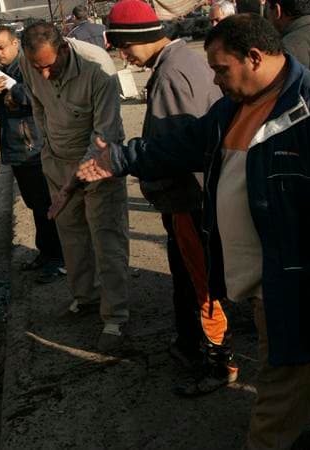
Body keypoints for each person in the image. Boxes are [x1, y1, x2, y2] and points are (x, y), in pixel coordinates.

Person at [79, 14, 310, 449]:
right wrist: (121, 158)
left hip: (297, 291)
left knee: (273, 408)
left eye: (221, 69)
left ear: (254, 58)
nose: (215, 80)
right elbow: (185, 142)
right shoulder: (237, 105)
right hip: (268, 284)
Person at [107, 0, 236, 396]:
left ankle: (221, 362)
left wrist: (126, 159)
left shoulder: (170, 76)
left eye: (124, 47)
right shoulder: (183, 60)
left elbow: (176, 150)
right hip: (201, 196)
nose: (123, 56)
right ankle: (191, 346)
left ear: (141, 38)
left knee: (201, 283)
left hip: (189, 199)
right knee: (191, 278)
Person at [19, 21, 130, 353]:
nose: (45, 75)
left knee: (106, 237)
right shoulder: (31, 63)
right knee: (72, 235)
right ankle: (85, 298)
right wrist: (49, 154)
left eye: (50, 66)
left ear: (64, 49)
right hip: (57, 160)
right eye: (38, 67)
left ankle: (115, 318)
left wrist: (73, 181)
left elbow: (104, 135)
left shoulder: (98, 68)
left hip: (98, 162)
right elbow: (38, 108)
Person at [0, 25, 65, 284]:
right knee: (35, 207)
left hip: (33, 150)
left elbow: (38, 96)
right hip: (17, 152)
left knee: (46, 207)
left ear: (15, 44)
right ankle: (46, 253)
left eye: (1, 46)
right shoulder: (3, 72)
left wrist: (12, 89)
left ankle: (59, 259)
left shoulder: (27, 67)